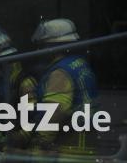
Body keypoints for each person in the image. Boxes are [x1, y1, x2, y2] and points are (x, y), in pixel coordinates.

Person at [29, 18, 98, 159]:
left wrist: (42, 141)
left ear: (51, 47)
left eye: (42, 46)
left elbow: (55, 111)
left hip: (68, 149)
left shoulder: (60, 73)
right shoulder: (79, 63)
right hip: (85, 146)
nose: (39, 51)